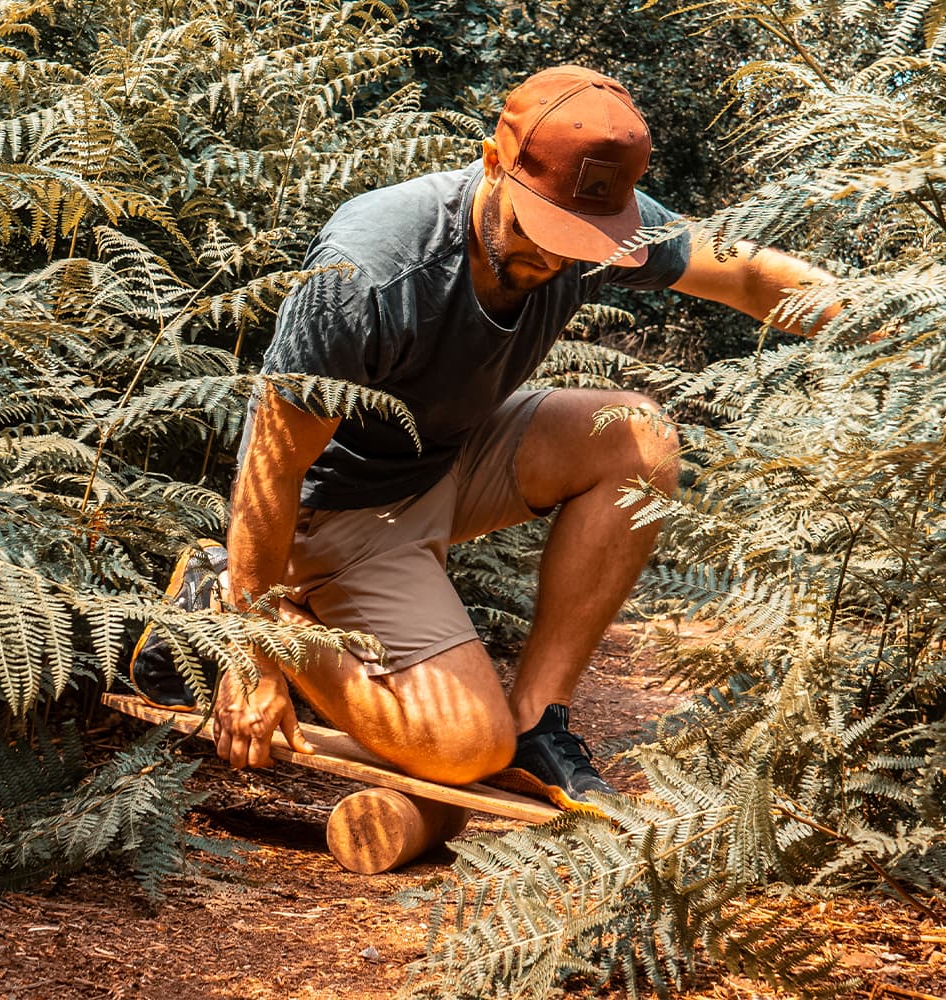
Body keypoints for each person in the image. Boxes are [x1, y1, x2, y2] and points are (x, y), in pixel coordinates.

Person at [131, 65, 834, 811]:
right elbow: (271, 469)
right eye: (547, 232)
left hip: (449, 456)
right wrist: (256, 657)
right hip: (336, 509)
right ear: (494, 164)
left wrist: (891, 319)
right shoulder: (372, 267)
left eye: (585, 241)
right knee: (467, 747)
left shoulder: (597, 217)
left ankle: (540, 723)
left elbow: (748, 279)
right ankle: (231, 600)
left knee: (637, 436)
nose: (562, 259)